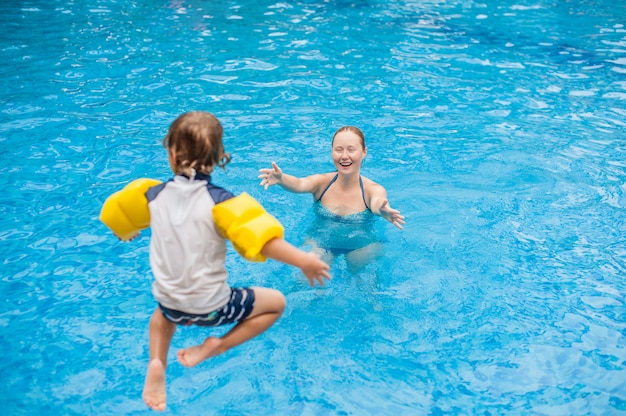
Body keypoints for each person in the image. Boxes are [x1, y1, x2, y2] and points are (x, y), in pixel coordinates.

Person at [138, 111, 331, 411]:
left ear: (171, 153)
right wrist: (304, 260)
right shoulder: (222, 202)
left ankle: (156, 362)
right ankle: (219, 345)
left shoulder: (153, 195)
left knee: (160, 318)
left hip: (170, 304)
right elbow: (264, 241)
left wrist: (127, 232)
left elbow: (126, 217)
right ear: (218, 158)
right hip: (213, 308)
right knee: (276, 302)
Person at [258, 126, 404, 272]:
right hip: (321, 243)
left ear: (364, 152)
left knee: (360, 272)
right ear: (332, 152)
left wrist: (382, 211)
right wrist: (281, 178)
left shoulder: (372, 189)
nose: (344, 156)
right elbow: (299, 184)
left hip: (361, 246)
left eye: (351, 150)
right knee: (307, 272)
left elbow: (377, 202)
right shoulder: (322, 183)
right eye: (339, 150)